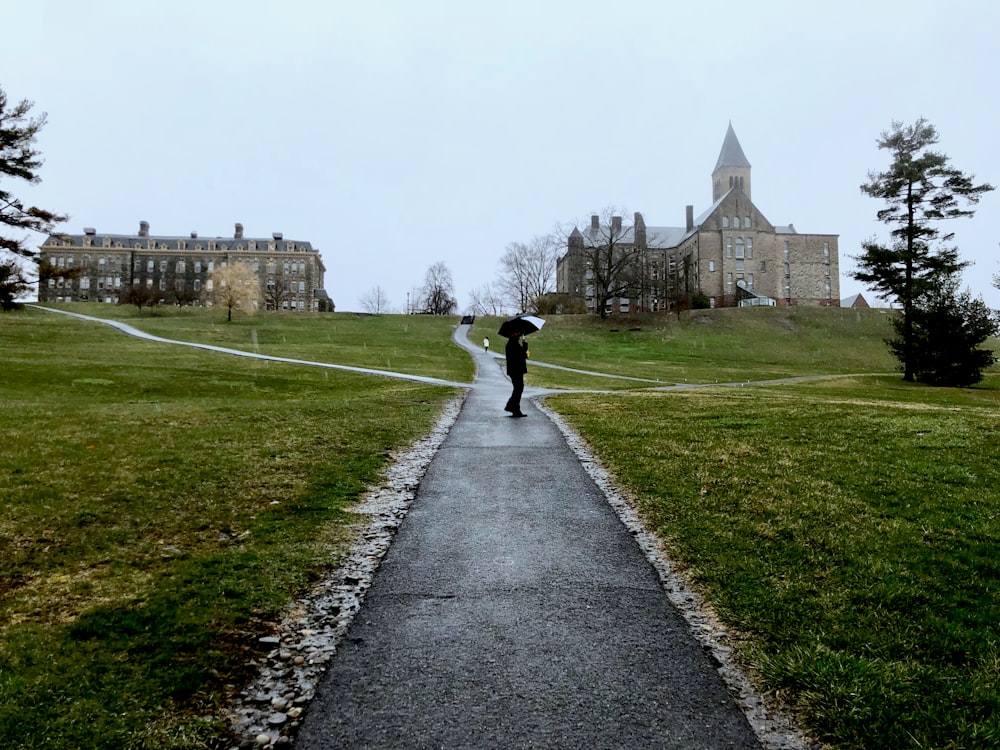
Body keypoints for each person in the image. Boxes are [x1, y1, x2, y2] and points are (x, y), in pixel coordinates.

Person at [504, 331, 528, 417]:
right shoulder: (512, 344)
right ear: (512, 334)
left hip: (516, 370)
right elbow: (520, 355)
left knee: (518, 388)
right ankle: (512, 407)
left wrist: (524, 352)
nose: (518, 334)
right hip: (516, 370)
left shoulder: (513, 343)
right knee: (518, 388)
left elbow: (522, 355)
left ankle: (514, 408)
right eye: (516, 333)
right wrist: (525, 345)